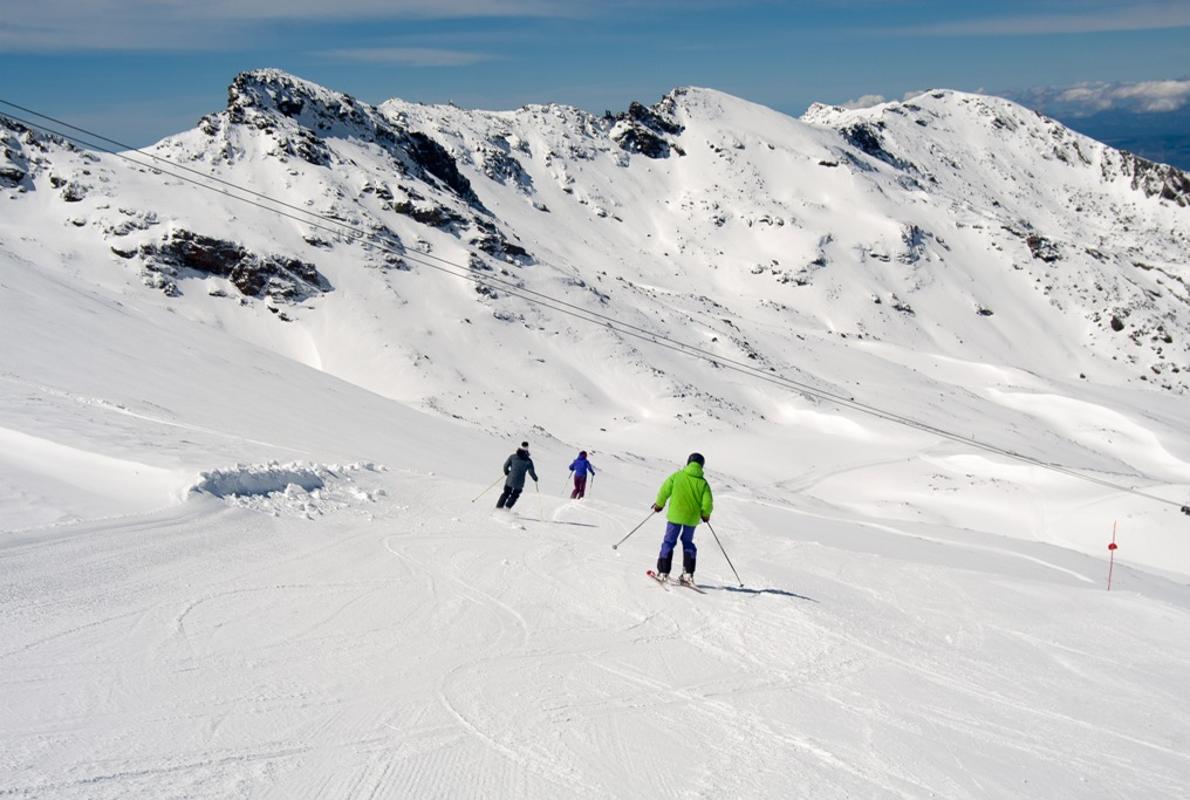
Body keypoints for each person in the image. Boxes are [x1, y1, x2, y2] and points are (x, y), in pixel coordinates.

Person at [651, 452, 713, 585]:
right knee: (688, 543)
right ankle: (688, 574)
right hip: (691, 519)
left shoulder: (677, 476)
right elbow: (707, 503)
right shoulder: (703, 483)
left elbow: (664, 491)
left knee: (669, 542)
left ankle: (663, 572)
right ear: (701, 465)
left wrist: (659, 505)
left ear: (688, 462)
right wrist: (705, 515)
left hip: (675, 516)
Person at [496, 443, 538, 510]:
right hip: (519, 482)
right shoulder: (528, 461)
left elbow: (505, 465)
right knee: (515, 495)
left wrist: (506, 472)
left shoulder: (512, 457)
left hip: (510, 479)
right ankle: (507, 508)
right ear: (527, 450)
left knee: (506, 493)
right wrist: (535, 478)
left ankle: (498, 507)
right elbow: (531, 472)